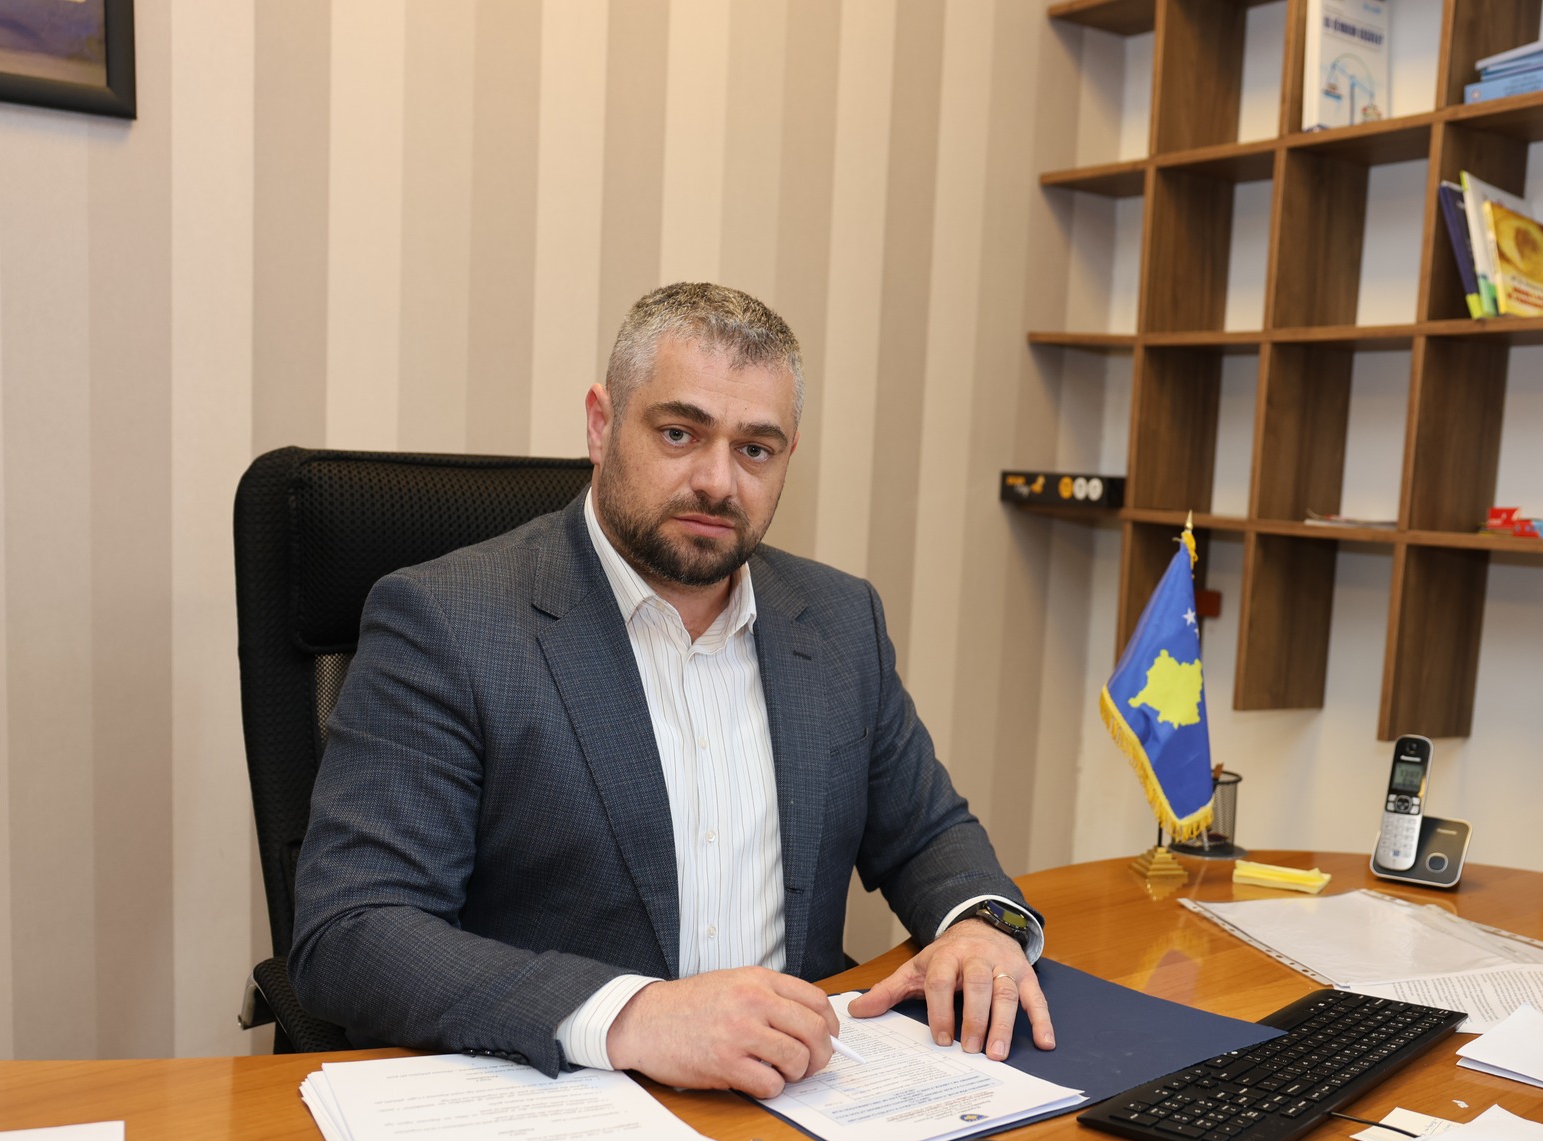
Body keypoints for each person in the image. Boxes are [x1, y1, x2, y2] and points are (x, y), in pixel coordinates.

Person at [290, 282, 1054, 1096]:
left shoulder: (838, 620)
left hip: (800, 1099)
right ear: (600, 424)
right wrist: (635, 1015)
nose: (718, 482)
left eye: (755, 449)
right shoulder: (448, 621)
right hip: (567, 1097)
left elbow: (929, 831)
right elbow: (353, 931)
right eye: (680, 433)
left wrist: (980, 924)